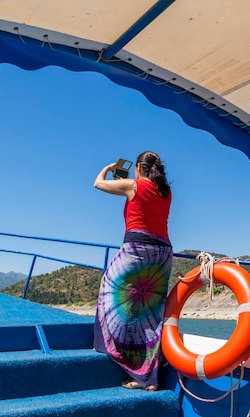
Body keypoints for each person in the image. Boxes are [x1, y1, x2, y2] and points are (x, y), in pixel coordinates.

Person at [93, 151, 173, 392]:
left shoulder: (132, 184)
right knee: (151, 314)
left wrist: (108, 168)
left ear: (138, 167)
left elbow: (97, 183)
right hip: (162, 254)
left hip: (138, 249)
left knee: (110, 293)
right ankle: (151, 377)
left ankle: (125, 361)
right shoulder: (166, 192)